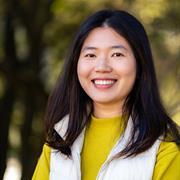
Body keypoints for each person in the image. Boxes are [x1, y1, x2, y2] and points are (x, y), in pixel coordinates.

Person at [32, 9, 180, 180]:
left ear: (140, 63)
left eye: (117, 54)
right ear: (76, 64)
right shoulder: (60, 139)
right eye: (91, 55)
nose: (102, 66)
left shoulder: (164, 146)